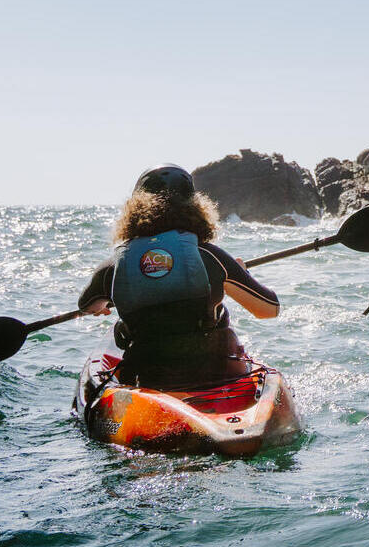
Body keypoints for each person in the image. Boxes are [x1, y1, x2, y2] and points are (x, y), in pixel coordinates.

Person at [78, 165, 279, 387]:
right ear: (195, 206)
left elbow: (87, 305)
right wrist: (238, 274)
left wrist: (104, 304)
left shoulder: (115, 265)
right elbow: (269, 309)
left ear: (134, 209)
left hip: (148, 379)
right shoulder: (211, 257)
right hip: (215, 375)